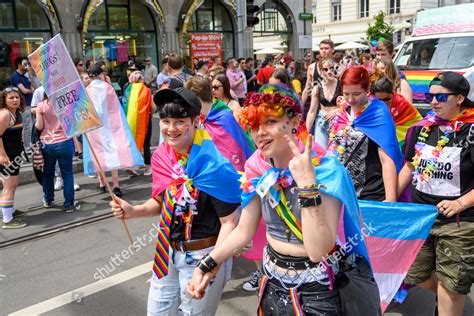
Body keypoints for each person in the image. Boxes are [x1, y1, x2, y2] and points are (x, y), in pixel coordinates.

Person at [187, 84, 375, 315]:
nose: (260, 133)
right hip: (271, 282)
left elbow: (318, 250)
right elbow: (243, 231)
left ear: (295, 122)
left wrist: (307, 186)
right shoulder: (256, 167)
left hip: (317, 291)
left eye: (270, 122)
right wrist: (206, 265)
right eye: (255, 126)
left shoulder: (325, 170)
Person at [110, 87, 241, 315]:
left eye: (180, 121)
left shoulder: (213, 165)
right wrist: (134, 210)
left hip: (203, 255)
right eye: (166, 120)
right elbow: (161, 203)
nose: (171, 129)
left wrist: (210, 267)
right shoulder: (162, 156)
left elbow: (230, 223)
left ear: (195, 122)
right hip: (167, 253)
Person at [398, 72, 474, 316]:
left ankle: (448, 302)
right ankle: (445, 299)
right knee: (414, 274)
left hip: (460, 221)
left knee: (452, 284)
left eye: (441, 96)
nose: (433, 102)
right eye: (430, 96)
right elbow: (409, 166)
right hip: (421, 217)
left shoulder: (471, 131)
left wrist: (461, 203)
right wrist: (389, 202)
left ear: (460, 98)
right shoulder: (420, 129)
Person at [328, 66, 403, 202]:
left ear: (367, 90)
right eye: (346, 94)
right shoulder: (342, 113)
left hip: (370, 193)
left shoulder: (378, 113)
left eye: (356, 94)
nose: (350, 99)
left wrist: (390, 199)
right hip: (342, 190)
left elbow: (387, 160)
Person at [84, 65, 144, 197]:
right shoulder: (108, 88)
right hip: (111, 127)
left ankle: (102, 184)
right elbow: (116, 109)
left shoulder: (86, 91)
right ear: (101, 75)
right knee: (113, 154)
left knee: (97, 154)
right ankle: (116, 186)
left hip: (94, 128)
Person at [35, 94, 78, 212]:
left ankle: (48, 199)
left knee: (48, 173)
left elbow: (39, 126)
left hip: (47, 144)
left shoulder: (41, 106)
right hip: (65, 141)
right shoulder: (66, 103)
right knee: (67, 173)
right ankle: (69, 204)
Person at [0, 87, 27, 229]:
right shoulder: (5, 114)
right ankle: (7, 220)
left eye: (17, 97)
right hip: (7, 156)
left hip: (14, 154)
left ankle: (10, 210)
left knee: (12, 185)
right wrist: (2, 155)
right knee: (9, 186)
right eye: (11, 98)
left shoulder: (16, 113)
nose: (15, 100)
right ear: (4, 100)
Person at [370, 76, 422, 148]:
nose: (383, 103)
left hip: (403, 143)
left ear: (393, 92)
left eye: (387, 99)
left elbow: (418, 124)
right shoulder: (369, 104)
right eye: (379, 100)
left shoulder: (402, 103)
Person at [122, 70, 156, 175]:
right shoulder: (146, 90)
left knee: (131, 142)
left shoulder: (128, 90)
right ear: (140, 79)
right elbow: (153, 108)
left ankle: (130, 165)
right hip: (144, 121)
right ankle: (148, 167)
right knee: (146, 143)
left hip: (129, 121)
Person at [306, 58, 342, 147]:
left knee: (337, 154)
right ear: (321, 72)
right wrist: (305, 132)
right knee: (321, 153)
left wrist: (337, 110)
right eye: (325, 69)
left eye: (331, 68)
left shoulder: (341, 85)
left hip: (338, 122)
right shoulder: (317, 88)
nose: (329, 71)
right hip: (322, 122)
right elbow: (312, 111)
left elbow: (349, 104)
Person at [9, 57, 35, 150]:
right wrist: (31, 90)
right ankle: (27, 146)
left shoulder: (25, 76)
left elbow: (34, 87)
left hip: (30, 104)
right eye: (25, 64)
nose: (27, 66)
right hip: (23, 105)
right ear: (19, 65)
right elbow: (24, 90)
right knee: (27, 125)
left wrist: (31, 75)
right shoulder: (15, 76)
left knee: (31, 125)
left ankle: (29, 144)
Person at [302, 39, 335, 106]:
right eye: (321, 48)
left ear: (332, 50)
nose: (324, 51)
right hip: (316, 105)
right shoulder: (312, 67)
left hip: (333, 106)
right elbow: (307, 89)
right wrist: (300, 106)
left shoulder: (338, 68)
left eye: (326, 48)